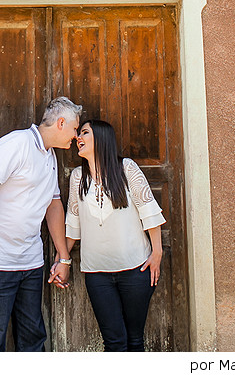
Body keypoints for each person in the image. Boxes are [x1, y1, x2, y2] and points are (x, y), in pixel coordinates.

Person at [0, 96, 82, 351]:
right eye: (74, 129)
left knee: (33, 340)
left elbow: (53, 205)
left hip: (31, 264)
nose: (75, 136)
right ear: (61, 123)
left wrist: (64, 257)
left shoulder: (50, 156)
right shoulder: (16, 143)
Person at [64, 118, 166, 352]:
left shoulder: (126, 168)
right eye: (79, 133)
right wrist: (63, 259)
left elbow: (149, 211)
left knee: (134, 341)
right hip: (97, 275)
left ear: (101, 138)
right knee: (114, 343)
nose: (78, 138)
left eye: (85, 133)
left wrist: (157, 253)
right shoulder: (78, 177)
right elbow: (73, 225)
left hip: (136, 271)